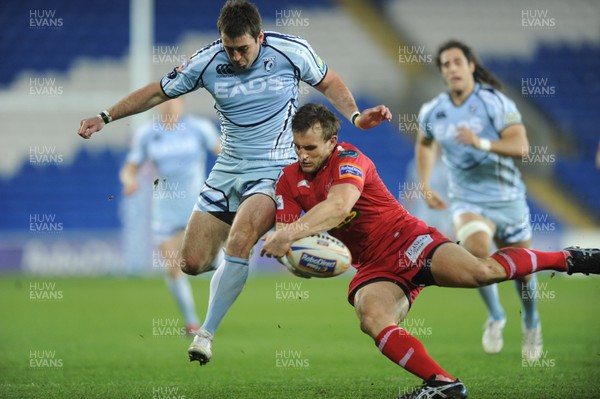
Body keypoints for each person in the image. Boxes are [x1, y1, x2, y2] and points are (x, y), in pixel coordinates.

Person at [77, 0, 391, 365]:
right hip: (227, 170)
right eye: (230, 49)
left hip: (275, 169)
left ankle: (205, 335)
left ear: (259, 36)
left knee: (240, 239)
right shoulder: (208, 62)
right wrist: (105, 116)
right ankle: (244, 261)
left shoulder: (291, 51)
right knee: (191, 262)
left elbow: (329, 81)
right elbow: (156, 92)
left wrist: (354, 115)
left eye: (243, 49)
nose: (237, 57)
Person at [260, 103, 599, 399]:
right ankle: (443, 384)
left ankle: (570, 259)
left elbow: (338, 206)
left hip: (407, 238)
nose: (302, 155)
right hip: (375, 266)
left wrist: (289, 234)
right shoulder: (287, 181)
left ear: (332, 142)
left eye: (310, 147)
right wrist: (297, 259)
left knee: (482, 273)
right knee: (372, 317)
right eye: (297, 147)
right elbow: (291, 246)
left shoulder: (351, 159)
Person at [415, 39, 543, 359]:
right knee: (476, 254)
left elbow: (521, 146)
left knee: (524, 272)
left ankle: (531, 320)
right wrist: (426, 183)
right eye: (446, 64)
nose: (452, 68)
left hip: (507, 198)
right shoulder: (434, 111)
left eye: (458, 61)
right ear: (442, 72)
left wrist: (480, 143)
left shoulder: (495, 102)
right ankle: (497, 316)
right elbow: (425, 143)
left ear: (471, 66)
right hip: (468, 201)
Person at [119, 97, 221, 334]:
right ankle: (192, 322)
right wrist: (129, 181)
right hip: (164, 209)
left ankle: (215, 302)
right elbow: (129, 168)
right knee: (172, 267)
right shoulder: (147, 134)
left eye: (173, 100)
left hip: (197, 206)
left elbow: (223, 153)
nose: (169, 104)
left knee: (206, 261)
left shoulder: (199, 128)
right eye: (164, 100)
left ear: (183, 101)